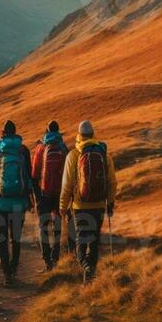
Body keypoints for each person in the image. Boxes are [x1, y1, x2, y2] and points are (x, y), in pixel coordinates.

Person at [59, 121, 117, 285]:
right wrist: (110, 202)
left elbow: (67, 185)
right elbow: (112, 181)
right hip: (98, 206)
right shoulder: (104, 154)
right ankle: (90, 276)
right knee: (94, 241)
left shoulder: (73, 155)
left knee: (81, 240)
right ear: (93, 134)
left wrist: (63, 206)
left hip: (79, 206)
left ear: (79, 134)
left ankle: (85, 267)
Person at [0, 120, 34, 286]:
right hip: (19, 201)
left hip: (0, 203)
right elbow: (28, 175)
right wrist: (31, 197)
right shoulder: (23, 150)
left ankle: (6, 273)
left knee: (1, 237)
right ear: (15, 133)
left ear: (2, 133)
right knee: (16, 237)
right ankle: (14, 266)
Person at [31, 120, 68, 271]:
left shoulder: (41, 148)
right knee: (57, 224)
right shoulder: (63, 147)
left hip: (44, 193)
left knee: (43, 226)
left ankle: (46, 259)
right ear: (58, 132)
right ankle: (55, 255)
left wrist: (37, 196)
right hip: (59, 193)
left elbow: (34, 173)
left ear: (46, 132)